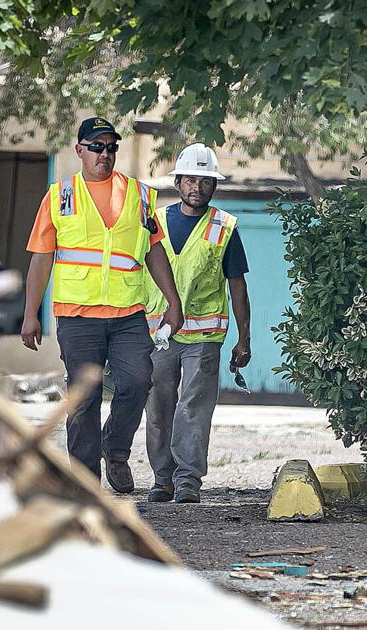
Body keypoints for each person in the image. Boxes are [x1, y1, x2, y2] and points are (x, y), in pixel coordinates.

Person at [20, 117, 183, 493]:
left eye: (111, 147)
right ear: (79, 150)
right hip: (77, 317)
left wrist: (173, 302)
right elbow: (42, 257)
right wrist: (31, 314)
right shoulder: (60, 195)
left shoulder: (140, 195)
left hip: (128, 314)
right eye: (96, 147)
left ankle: (115, 446)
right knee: (83, 397)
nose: (105, 154)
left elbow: (154, 251)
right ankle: (84, 483)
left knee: (138, 382)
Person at [143, 143, 251, 504]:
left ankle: (188, 479)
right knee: (158, 406)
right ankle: (163, 479)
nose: (197, 188)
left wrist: (244, 338)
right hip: (158, 333)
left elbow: (238, 284)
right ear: (177, 181)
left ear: (214, 186)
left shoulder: (225, 227)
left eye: (205, 182)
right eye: (190, 179)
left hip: (204, 336)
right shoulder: (152, 222)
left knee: (193, 407)